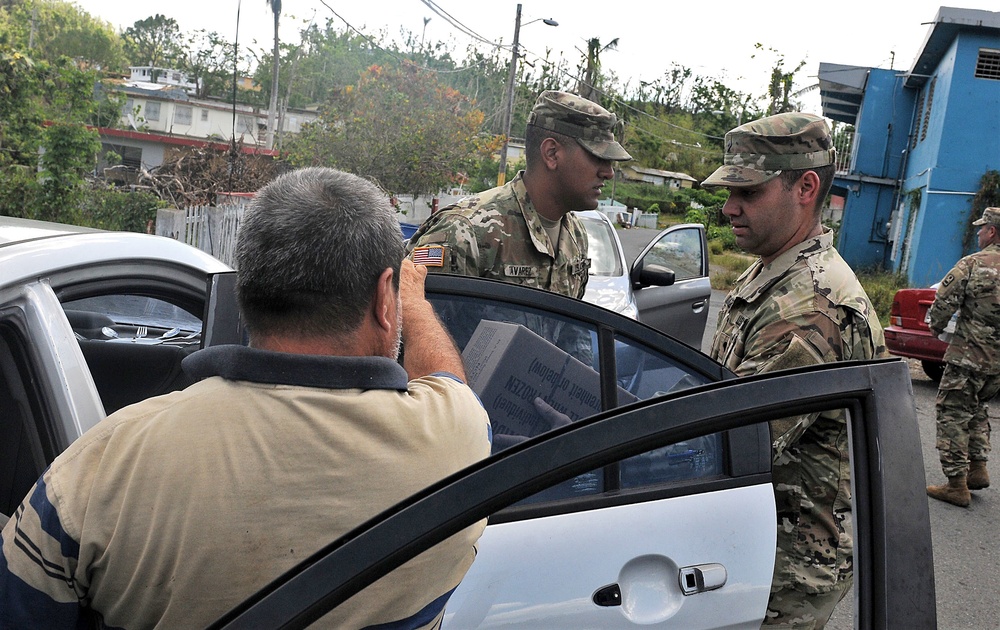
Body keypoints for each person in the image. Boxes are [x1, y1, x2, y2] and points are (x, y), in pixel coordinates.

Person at [0, 167, 492, 628]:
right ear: (385, 299)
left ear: (247, 289)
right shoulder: (456, 443)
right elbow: (447, 381)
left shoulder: (97, 468)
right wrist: (414, 303)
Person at [703, 112, 887, 629]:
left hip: (786, 569)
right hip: (756, 543)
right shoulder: (775, 270)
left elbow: (728, 439)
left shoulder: (810, 306)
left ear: (805, 187)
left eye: (748, 192)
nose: (729, 207)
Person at [407, 90, 630, 370]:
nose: (609, 172)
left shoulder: (575, 236)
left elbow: (573, 337)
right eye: (598, 158)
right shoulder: (467, 231)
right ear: (552, 153)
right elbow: (405, 334)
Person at [925, 206, 1000, 507]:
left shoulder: (973, 263)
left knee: (953, 413)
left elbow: (944, 300)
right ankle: (978, 468)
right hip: (997, 366)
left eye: (982, 229)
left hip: (968, 358)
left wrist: (936, 327)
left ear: (992, 231)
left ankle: (956, 484)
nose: (979, 233)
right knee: (977, 408)